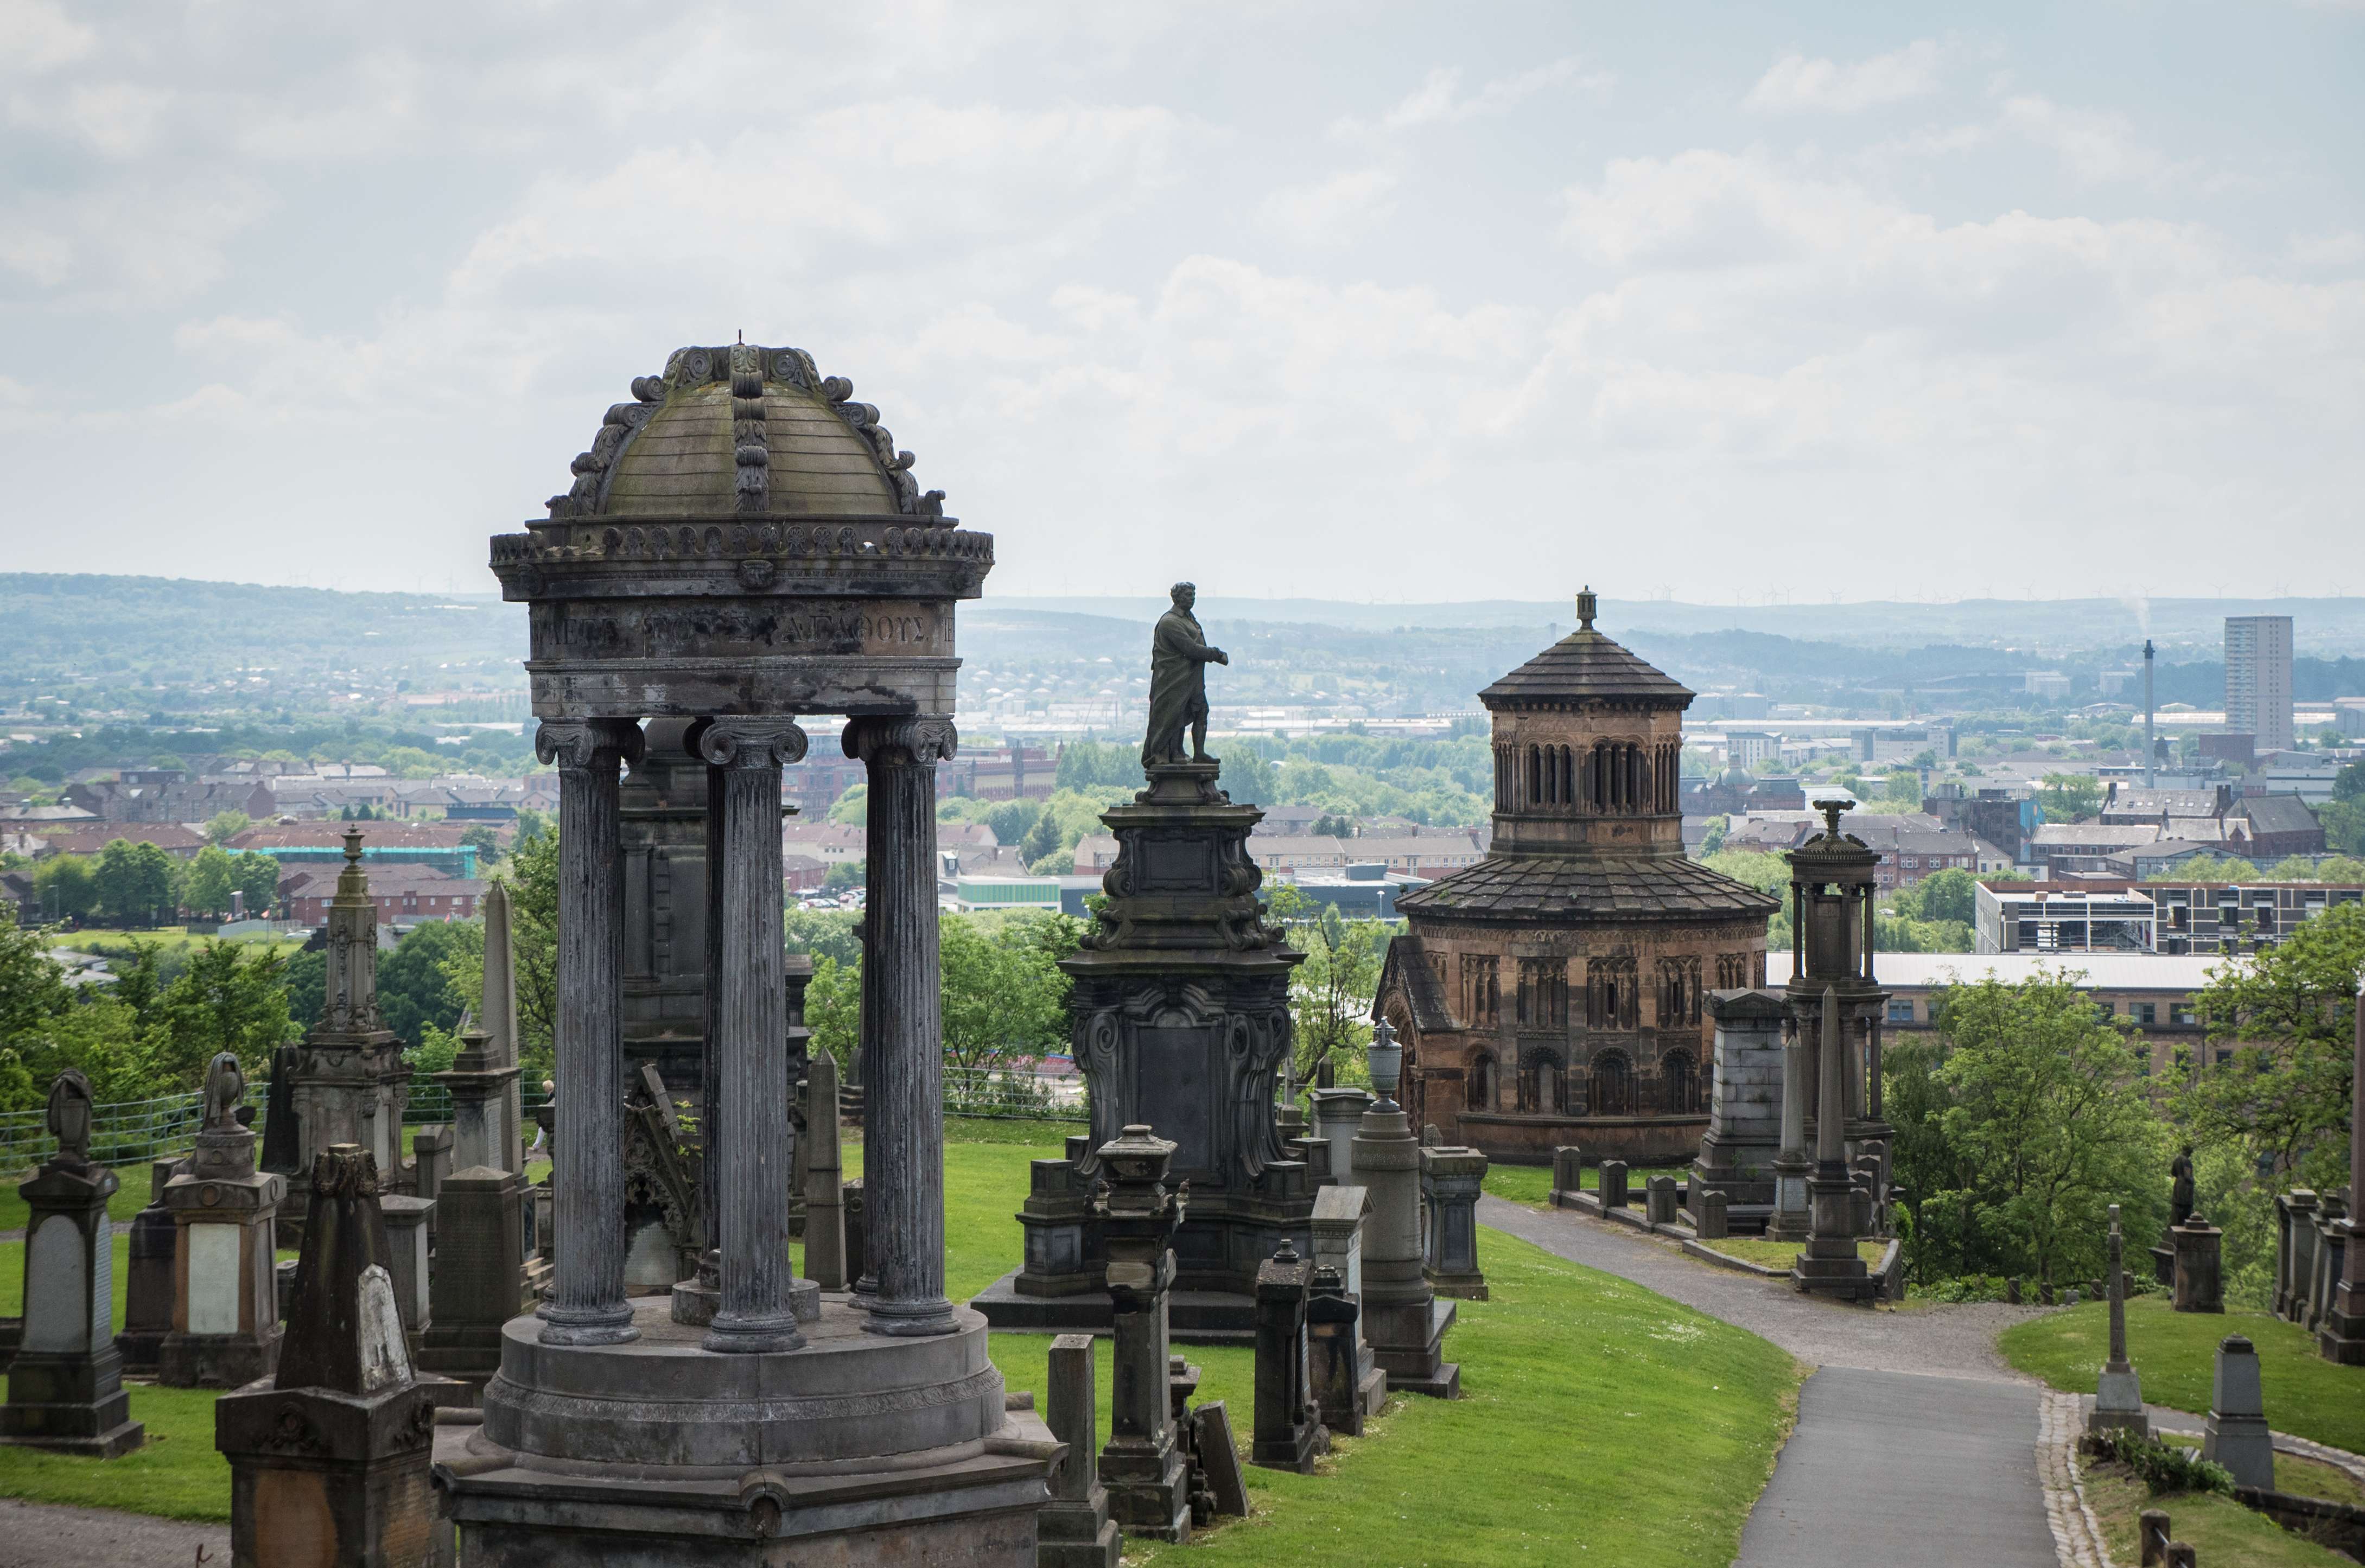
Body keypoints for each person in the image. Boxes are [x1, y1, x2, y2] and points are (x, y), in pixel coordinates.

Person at [1140, 582, 1228, 769]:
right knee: (1174, 716)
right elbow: (1190, 648)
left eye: (1193, 594)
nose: (1192, 598)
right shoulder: (1170, 622)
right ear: (1177, 597)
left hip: (1192, 679)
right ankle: (1171, 753)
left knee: (1201, 711)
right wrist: (1216, 654)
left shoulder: (1189, 619)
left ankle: (1199, 753)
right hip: (1173, 681)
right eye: (1188, 594)